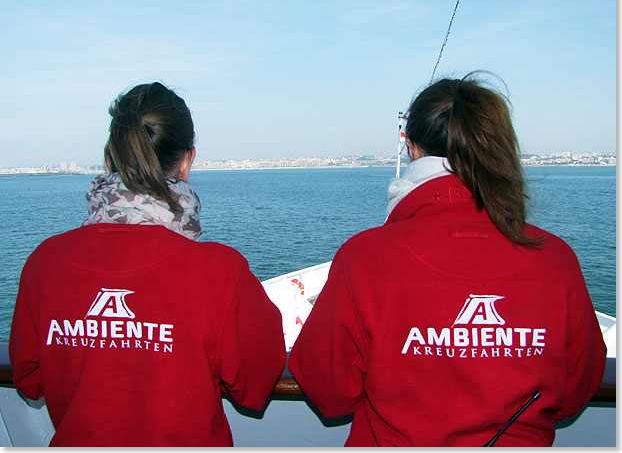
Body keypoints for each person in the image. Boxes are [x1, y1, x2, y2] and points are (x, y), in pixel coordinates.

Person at [288, 72, 606, 447]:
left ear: (412, 148)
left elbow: (329, 390)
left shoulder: (364, 258)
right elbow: (574, 390)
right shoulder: (555, 259)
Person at [9, 82, 286, 447]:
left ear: (111, 158)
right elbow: (256, 383)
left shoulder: (45, 263)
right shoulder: (221, 272)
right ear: (187, 162)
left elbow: (29, 378)